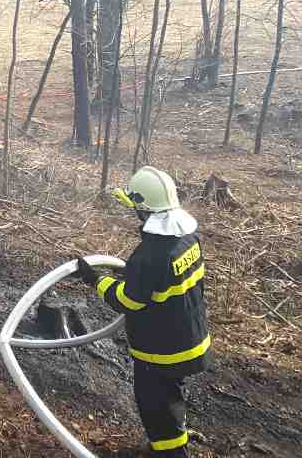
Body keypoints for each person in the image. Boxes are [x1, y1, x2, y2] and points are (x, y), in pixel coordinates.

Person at [75, 166, 211, 457]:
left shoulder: (149, 255)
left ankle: (170, 454)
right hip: (192, 339)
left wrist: (96, 280)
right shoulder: (189, 238)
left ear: (142, 208)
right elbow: (164, 283)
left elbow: (128, 300)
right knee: (170, 397)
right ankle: (170, 444)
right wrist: (131, 276)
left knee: (156, 407)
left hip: (162, 351)